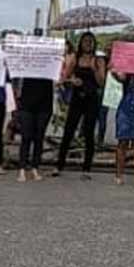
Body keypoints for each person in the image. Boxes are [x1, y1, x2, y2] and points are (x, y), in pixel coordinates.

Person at [53, 32, 106, 179]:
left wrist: (94, 68)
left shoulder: (99, 60)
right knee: (69, 131)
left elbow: (102, 82)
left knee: (89, 133)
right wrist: (72, 80)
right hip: (77, 97)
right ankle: (59, 166)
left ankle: (87, 169)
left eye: (90, 41)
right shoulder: (75, 58)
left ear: (94, 43)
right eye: (85, 41)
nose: (87, 44)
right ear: (81, 43)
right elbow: (65, 77)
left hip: (92, 99)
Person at [14, 29, 54, 183]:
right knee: (26, 136)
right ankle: (22, 168)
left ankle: (35, 167)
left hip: (44, 102)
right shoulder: (25, 59)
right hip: (27, 102)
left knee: (39, 137)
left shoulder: (51, 60)